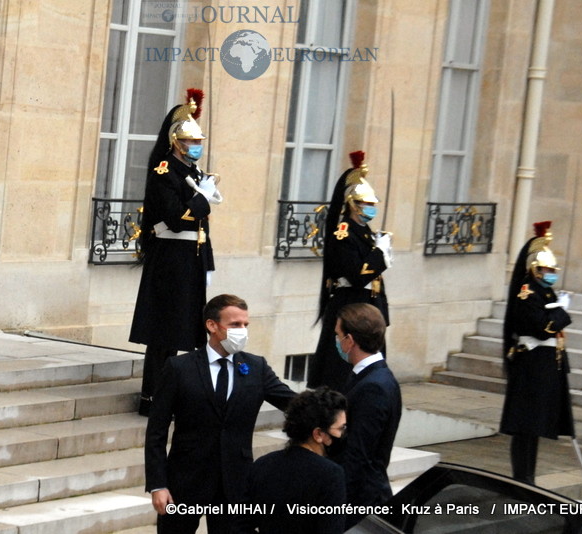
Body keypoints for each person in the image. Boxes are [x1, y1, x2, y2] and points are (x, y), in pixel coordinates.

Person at [144, 294, 295, 534]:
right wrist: (157, 484)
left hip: (234, 483)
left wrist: (338, 408)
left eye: (245, 324)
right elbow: (156, 431)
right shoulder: (179, 368)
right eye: (235, 324)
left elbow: (295, 403)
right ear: (212, 325)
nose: (242, 330)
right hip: (185, 480)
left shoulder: (256, 367)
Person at [129, 88, 223, 416]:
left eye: (198, 141)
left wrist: (207, 262)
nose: (196, 146)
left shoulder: (192, 173)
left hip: (190, 259)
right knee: (164, 332)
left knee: (182, 331)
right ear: (176, 142)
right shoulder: (164, 170)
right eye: (191, 141)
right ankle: (152, 398)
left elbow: (200, 227)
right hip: (169, 257)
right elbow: (176, 217)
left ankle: (169, 395)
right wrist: (202, 199)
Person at [308, 151, 392, 391]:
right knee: (343, 366)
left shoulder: (363, 230)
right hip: (351, 302)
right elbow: (357, 275)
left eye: (372, 204)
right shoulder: (343, 233)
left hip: (368, 303)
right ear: (353, 205)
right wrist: (380, 254)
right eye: (367, 204)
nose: (371, 208)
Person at [500, 221, 575, 484]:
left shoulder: (545, 292)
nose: (551, 273)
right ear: (535, 268)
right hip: (531, 365)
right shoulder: (527, 293)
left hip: (544, 366)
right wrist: (561, 311)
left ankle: (528, 478)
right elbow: (544, 329)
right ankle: (523, 478)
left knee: (534, 427)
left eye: (553, 270)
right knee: (525, 427)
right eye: (547, 269)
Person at [237, 386, 348, 534]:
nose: (343, 434)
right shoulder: (331, 475)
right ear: (318, 434)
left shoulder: (263, 464)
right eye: (341, 428)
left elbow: (240, 525)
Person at [334, 302, 402, 530]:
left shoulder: (374, 387)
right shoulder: (368, 376)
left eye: (338, 335)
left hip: (361, 503)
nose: (336, 341)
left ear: (350, 340)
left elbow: (359, 453)